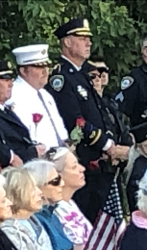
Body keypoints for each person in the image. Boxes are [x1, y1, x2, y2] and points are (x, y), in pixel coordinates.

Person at [48, 18, 130, 221]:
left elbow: (100, 113)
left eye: (89, 39)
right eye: (82, 38)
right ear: (67, 42)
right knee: (89, 222)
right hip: (85, 160)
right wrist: (107, 145)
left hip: (101, 163)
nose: (88, 43)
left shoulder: (83, 74)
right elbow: (75, 121)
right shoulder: (62, 78)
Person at [7, 44, 67, 148]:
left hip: (59, 154)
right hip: (37, 159)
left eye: (47, 66)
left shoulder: (46, 95)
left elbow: (59, 128)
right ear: (23, 71)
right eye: (39, 67)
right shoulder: (14, 95)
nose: (45, 71)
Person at [0, 61, 44, 165]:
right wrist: (32, 152)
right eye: (5, 80)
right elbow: (5, 148)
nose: (11, 84)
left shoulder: (5, 110)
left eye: (11, 80)